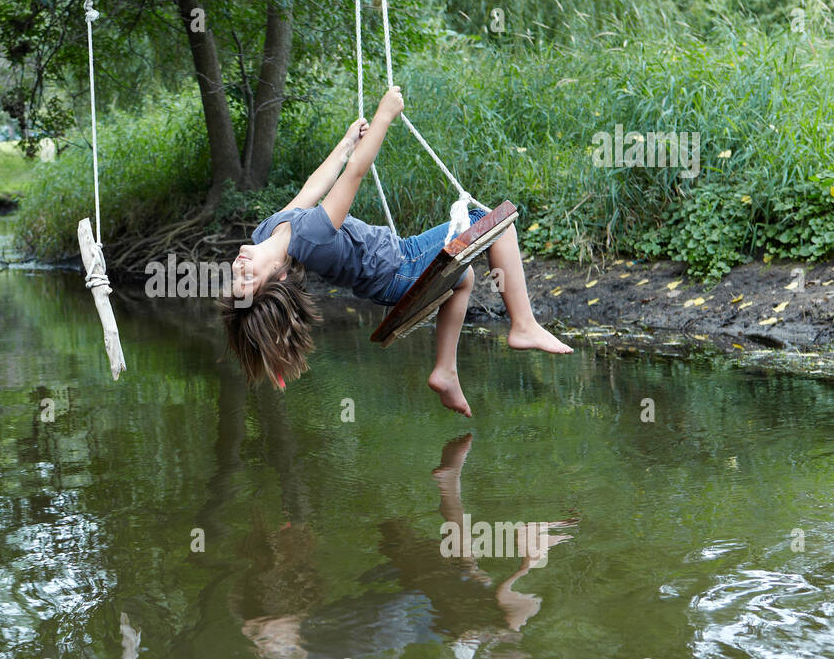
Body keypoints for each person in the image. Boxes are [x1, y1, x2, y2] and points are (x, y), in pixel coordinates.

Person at [221, 86, 571, 417]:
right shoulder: (310, 237)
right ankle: (523, 325)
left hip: (391, 271)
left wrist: (345, 144)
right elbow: (355, 175)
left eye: (236, 276)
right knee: (495, 223)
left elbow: (312, 188)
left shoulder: (266, 231)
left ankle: (445, 372)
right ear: (279, 275)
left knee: (463, 277)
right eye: (249, 278)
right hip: (401, 267)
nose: (240, 266)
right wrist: (384, 115)